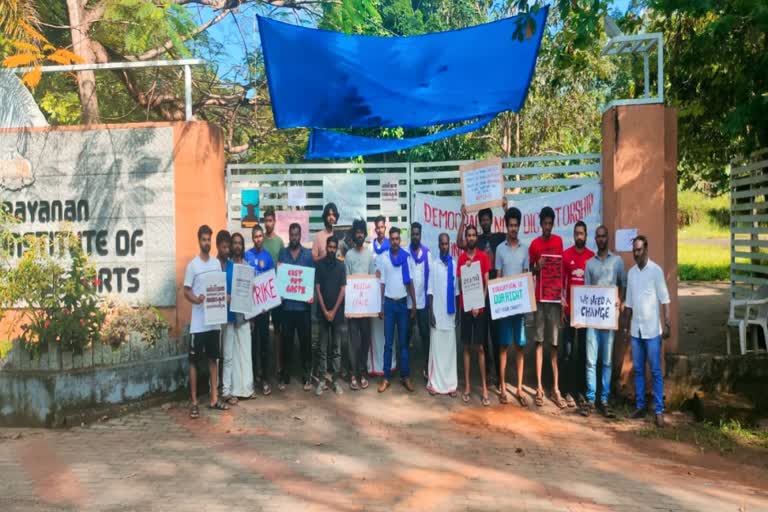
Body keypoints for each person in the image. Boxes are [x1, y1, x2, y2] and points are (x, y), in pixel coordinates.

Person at [457, 201, 507, 387]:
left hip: (495, 290)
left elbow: (513, 233)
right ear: (479, 222)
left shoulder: (498, 237)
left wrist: (506, 209)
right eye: (482, 220)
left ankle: (497, 374)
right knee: (483, 336)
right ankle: (487, 373)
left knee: (495, 333)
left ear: (492, 220)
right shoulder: (475, 240)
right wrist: (463, 218)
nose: (485, 222)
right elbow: (459, 242)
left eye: (487, 219)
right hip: (477, 293)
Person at [625, 235, 671, 428]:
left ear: (646, 249)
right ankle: (640, 405)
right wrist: (626, 326)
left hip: (652, 331)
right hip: (636, 330)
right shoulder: (631, 273)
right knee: (638, 370)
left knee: (655, 370)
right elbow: (628, 303)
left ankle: (659, 411)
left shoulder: (656, 271)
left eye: (639, 250)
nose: (636, 253)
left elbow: (665, 299)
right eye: (634, 250)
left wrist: (667, 322)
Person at [183, 225, 229, 419]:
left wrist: (226, 298)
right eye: (203, 239)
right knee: (194, 362)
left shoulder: (216, 265)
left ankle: (213, 399)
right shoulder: (192, 266)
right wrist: (196, 299)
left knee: (213, 360)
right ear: (198, 240)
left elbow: (220, 289)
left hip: (214, 323)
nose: (207, 243)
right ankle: (194, 402)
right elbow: (186, 291)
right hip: (198, 324)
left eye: (209, 239)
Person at [581, 225, 626, 418]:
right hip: (592, 319)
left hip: (609, 320)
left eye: (603, 236)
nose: (600, 239)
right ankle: (591, 399)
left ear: (607, 238)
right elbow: (585, 292)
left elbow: (622, 285)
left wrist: (620, 302)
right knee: (591, 361)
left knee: (606, 361)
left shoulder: (617, 262)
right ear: (595, 239)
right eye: (598, 236)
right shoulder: (589, 264)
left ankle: (605, 399)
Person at [529, 206, 566, 408]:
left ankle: (556, 388)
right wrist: (538, 266)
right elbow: (530, 271)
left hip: (553, 301)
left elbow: (560, 271)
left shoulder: (559, 241)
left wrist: (562, 296)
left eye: (550, 224)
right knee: (539, 342)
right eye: (545, 224)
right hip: (540, 300)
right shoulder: (534, 245)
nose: (548, 227)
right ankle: (540, 388)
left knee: (554, 344)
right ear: (540, 223)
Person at [494, 207, 530, 407]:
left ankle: (518, 388)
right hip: (505, 307)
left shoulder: (525, 249)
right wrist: (499, 305)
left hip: (520, 306)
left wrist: (526, 304)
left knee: (520, 346)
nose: (514, 228)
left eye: (516, 225)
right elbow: (498, 277)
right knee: (504, 346)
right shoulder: (500, 249)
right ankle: (502, 386)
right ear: (506, 227)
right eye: (511, 225)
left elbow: (526, 276)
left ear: (519, 226)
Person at [377, 226, 417, 393]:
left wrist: (414, 304)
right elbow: (382, 283)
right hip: (389, 304)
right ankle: (386, 378)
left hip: (402, 305)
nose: (394, 242)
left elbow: (410, 283)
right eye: (392, 239)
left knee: (403, 343)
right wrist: (380, 306)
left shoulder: (406, 258)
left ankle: (405, 376)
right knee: (388, 344)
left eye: (397, 239)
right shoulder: (384, 258)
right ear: (389, 240)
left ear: (400, 240)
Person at [560, 221, 594, 408]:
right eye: (576, 233)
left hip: (586, 315)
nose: (579, 236)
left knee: (582, 353)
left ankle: (581, 391)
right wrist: (562, 305)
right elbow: (561, 285)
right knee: (567, 353)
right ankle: (566, 391)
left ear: (586, 235)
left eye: (582, 233)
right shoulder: (566, 256)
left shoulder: (591, 257)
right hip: (568, 313)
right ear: (573, 235)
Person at [277, 222, 314, 392]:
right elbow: (280, 278)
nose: (294, 237)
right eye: (291, 234)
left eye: (296, 235)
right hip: (286, 308)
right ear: (288, 235)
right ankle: (285, 376)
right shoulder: (282, 254)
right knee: (286, 344)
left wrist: (310, 294)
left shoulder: (307, 255)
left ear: (300, 236)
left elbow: (311, 280)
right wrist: (280, 291)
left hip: (303, 308)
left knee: (305, 343)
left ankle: (307, 376)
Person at [458, 224, 492, 406]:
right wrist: (470, 305)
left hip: (480, 310)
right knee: (466, 347)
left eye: (473, 235)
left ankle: (485, 388)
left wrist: (479, 304)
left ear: (476, 238)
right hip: (466, 308)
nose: (471, 238)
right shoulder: (462, 259)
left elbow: (486, 283)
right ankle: (468, 387)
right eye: (468, 235)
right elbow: (461, 283)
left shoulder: (483, 257)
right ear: (465, 238)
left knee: (480, 348)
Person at [222, 232, 255, 402]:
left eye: (239, 243)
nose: (236, 246)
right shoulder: (225, 266)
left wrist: (253, 317)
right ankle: (231, 390)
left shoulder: (248, 267)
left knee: (245, 351)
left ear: (242, 246)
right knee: (230, 353)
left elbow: (251, 295)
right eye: (234, 243)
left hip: (244, 316)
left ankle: (246, 388)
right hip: (228, 315)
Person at [426, 233, 459, 397]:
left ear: (449, 245)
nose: (445, 247)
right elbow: (430, 291)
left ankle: (451, 385)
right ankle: (435, 384)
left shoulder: (454, 264)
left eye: (447, 244)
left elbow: (457, 292)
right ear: (438, 245)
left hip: (450, 315)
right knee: (437, 350)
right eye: (442, 244)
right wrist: (431, 312)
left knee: (450, 350)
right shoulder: (434, 265)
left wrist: (458, 311)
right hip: (437, 315)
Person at [345, 218, 375, 391]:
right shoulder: (348, 255)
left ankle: (363, 373)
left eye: (361, 232)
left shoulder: (369, 254)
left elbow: (371, 279)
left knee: (365, 341)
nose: (359, 235)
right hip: (353, 306)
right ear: (353, 234)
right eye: (356, 232)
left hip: (366, 307)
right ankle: (352, 373)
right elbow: (346, 281)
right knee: (352, 342)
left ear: (364, 234)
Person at [314, 236, 346, 396]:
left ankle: (335, 381)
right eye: (330, 247)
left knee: (336, 349)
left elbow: (342, 290)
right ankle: (321, 379)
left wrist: (333, 311)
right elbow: (318, 289)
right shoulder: (319, 265)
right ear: (326, 248)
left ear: (337, 249)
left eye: (334, 247)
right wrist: (325, 311)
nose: (332, 250)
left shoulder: (341, 266)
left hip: (337, 314)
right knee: (322, 348)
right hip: (323, 314)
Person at [245, 225, 275, 396]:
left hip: (263, 310)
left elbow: (271, 281)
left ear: (263, 237)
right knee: (251, 345)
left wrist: (268, 304)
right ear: (252, 238)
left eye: (260, 236)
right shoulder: (246, 255)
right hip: (249, 310)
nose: (258, 239)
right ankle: (251, 378)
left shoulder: (267, 257)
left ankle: (264, 378)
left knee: (264, 343)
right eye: (255, 236)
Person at [262, 207, 285, 386]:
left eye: (271, 220)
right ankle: (264, 367)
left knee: (277, 330)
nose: (269, 223)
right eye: (266, 221)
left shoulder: (279, 242)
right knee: (262, 330)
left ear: (275, 222)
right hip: (262, 293)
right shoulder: (259, 240)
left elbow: (283, 268)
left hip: (276, 292)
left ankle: (278, 364)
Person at [369, 215, 394, 376]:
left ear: (385, 227)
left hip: (388, 293)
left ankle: (389, 365)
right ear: (374, 229)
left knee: (388, 331)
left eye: (382, 227)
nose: (379, 230)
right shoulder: (370, 248)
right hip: (374, 294)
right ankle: (375, 366)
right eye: (377, 227)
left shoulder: (392, 246)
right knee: (375, 331)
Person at [407, 222, 431, 381]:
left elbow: (430, 278)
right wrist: (413, 304)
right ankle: (405, 370)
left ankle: (427, 367)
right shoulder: (405, 253)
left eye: (418, 234)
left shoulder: (427, 254)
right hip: (409, 304)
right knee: (406, 336)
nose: (415, 236)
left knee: (425, 336)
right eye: (413, 234)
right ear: (411, 235)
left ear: (420, 235)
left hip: (423, 303)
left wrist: (429, 301)